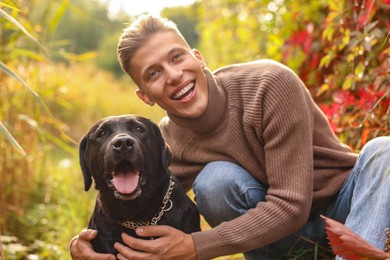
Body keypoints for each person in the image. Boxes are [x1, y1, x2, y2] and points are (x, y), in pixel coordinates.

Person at [70, 14, 390, 260]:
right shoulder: (165, 142)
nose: (174, 75)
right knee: (215, 182)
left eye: (177, 57)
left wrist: (196, 246)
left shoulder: (269, 85)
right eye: (154, 73)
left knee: (383, 150)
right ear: (145, 96)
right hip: (278, 239)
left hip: (348, 209)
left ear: (198, 57)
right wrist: (83, 242)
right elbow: (136, 196)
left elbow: (292, 205)